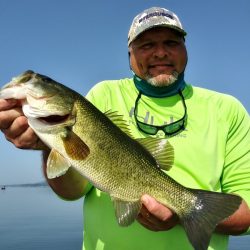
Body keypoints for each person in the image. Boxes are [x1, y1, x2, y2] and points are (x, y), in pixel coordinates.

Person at [0, 6, 250, 250]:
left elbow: (248, 213)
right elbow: (71, 191)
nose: (160, 53)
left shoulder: (227, 109)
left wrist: (180, 213)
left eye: (171, 43)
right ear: (130, 55)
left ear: (186, 49)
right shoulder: (102, 95)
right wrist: (47, 146)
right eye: (147, 45)